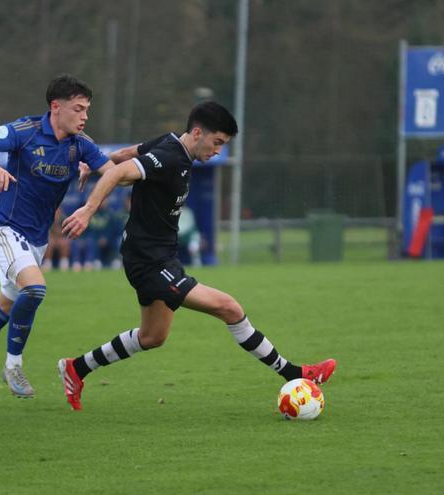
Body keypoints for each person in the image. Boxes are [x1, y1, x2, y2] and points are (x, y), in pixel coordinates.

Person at [57, 102, 336, 411]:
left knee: (153, 336)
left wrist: (97, 162)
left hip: (160, 256)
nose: (218, 150)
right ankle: (296, 373)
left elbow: (127, 154)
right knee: (229, 308)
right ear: (198, 132)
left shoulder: (172, 143)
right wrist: (88, 208)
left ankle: (76, 368)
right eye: (217, 142)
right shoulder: (169, 156)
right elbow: (123, 171)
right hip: (149, 261)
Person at [0, 74, 116, 398]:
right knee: (35, 288)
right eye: (79, 108)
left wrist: (98, 174)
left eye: (88, 109)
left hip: (37, 241)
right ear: (56, 107)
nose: (85, 116)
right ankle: (13, 365)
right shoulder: (26, 131)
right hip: (4, 229)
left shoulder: (79, 146)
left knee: (6, 305)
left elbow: (116, 172)